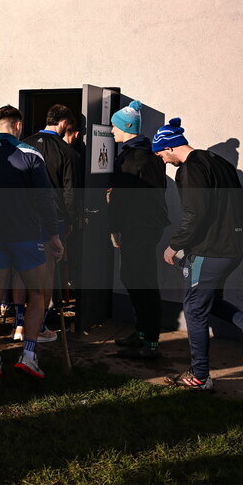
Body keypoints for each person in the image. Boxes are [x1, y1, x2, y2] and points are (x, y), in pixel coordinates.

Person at [153, 118, 243, 390]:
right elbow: (242, 204)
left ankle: (200, 376)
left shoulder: (189, 170)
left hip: (209, 251)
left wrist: (174, 245)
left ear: (170, 146)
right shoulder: (218, 162)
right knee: (205, 301)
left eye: (161, 153)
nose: (162, 160)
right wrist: (237, 238)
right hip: (231, 248)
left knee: (194, 308)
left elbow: (195, 213)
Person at [0, 105, 63, 380]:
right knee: (37, 295)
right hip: (27, 237)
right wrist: (55, 235)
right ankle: (29, 354)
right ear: (19, 125)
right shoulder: (30, 154)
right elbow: (45, 200)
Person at [108, 101, 170, 359]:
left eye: (115, 127)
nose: (112, 131)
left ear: (127, 128)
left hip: (138, 227)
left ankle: (150, 342)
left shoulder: (133, 158)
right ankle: (143, 333)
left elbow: (123, 199)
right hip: (148, 225)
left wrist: (114, 229)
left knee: (141, 281)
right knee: (135, 279)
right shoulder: (149, 155)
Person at [23, 104, 81, 343]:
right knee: (46, 274)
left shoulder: (24, 145)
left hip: (23, 217)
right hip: (51, 219)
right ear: (64, 123)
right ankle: (39, 324)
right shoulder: (67, 152)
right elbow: (70, 192)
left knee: (25, 272)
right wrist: (68, 221)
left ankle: (22, 322)